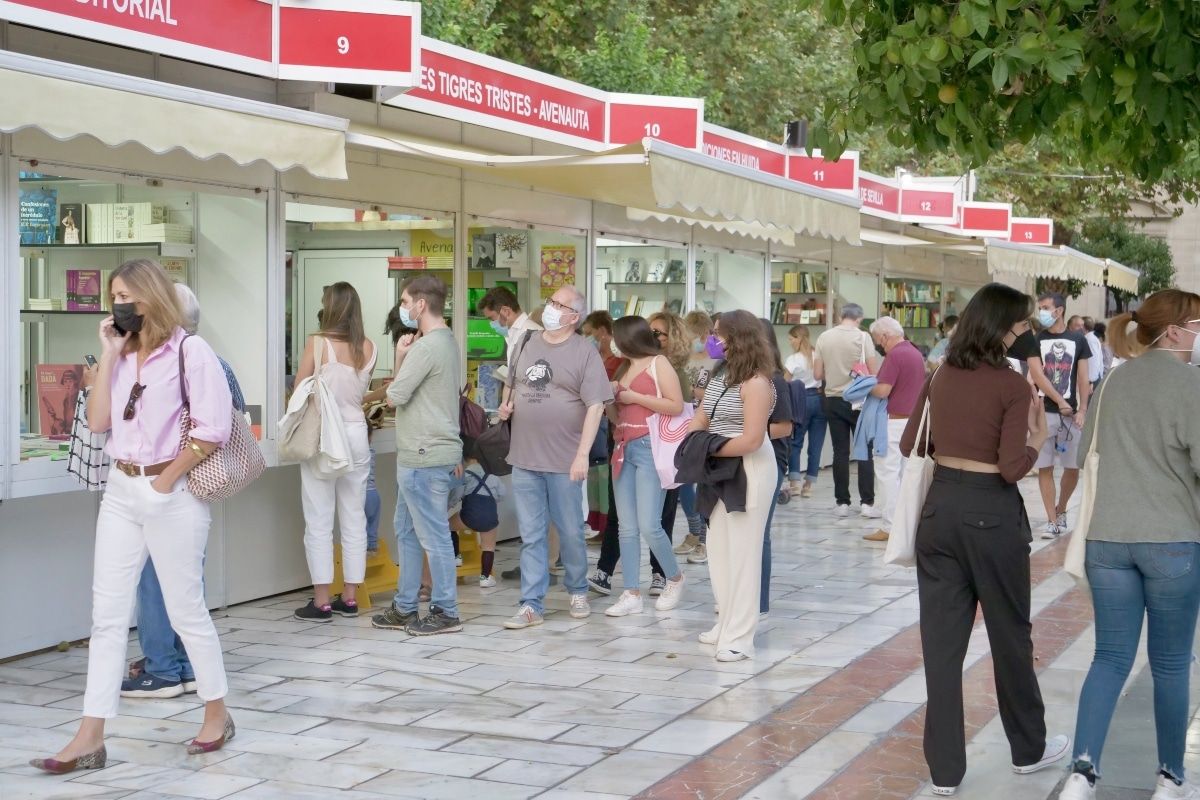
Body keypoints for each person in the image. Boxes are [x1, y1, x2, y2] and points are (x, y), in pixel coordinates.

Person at [31, 259, 235, 775]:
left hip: (173, 489)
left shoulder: (191, 351)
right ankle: (89, 735)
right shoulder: (121, 356)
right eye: (114, 295)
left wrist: (166, 481)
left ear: (153, 297)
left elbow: (212, 430)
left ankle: (217, 713)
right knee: (106, 615)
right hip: (120, 488)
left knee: (185, 608)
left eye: (128, 295)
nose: (119, 304)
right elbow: (98, 421)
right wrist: (109, 353)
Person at [899, 283, 1068, 796]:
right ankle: (1028, 749)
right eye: (1023, 325)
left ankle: (945, 772)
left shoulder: (941, 374)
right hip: (991, 515)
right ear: (1002, 328)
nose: (1028, 333)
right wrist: (1037, 438)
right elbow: (1010, 466)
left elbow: (911, 443)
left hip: (940, 509)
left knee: (941, 646)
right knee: (1009, 636)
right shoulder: (1013, 386)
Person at [1057, 289, 1200, 800]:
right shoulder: (1191, 384)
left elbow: (1087, 451)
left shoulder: (1114, 379)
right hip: (1172, 540)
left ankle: (1082, 772)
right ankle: (1169, 779)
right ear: (1177, 330)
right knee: (1169, 663)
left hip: (1107, 539)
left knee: (1110, 658)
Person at [122, 283, 247, 699]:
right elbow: (241, 414)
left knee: (155, 580)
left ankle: (162, 668)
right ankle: (185, 665)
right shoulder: (217, 360)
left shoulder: (175, 361)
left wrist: (159, 480)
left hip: (172, 482)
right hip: (197, 486)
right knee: (186, 581)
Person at [500, 286, 612, 629]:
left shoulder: (584, 353)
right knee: (531, 534)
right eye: (550, 301)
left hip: (565, 460)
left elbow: (596, 406)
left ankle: (577, 588)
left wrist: (581, 456)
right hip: (524, 456)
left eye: (559, 305)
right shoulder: (525, 343)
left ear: (573, 317)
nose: (549, 308)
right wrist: (506, 404)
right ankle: (531, 602)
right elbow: (513, 383)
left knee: (570, 531)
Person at [370, 275, 463, 636]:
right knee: (407, 532)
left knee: (433, 536)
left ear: (421, 305)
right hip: (423, 453)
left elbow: (395, 395)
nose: (403, 308)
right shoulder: (446, 341)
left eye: (406, 301)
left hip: (424, 455)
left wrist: (399, 356)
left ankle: (446, 610)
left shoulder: (425, 348)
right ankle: (406, 605)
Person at [686, 310, 777, 661]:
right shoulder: (720, 376)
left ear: (738, 338)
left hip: (748, 468)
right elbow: (702, 415)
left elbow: (752, 439)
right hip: (717, 465)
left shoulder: (757, 383)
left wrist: (708, 447)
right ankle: (725, 621)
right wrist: (696, 437)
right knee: (719, 548)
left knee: (744, 551)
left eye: (719, 334)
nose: (713, 340)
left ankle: (740, 635)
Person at [292, 283, 377, 623]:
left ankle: (322, 600)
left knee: (319, 518)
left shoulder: (318, 342)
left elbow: (299, 389)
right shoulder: (368, 347)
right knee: (354, 515)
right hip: (357, 434)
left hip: (326, 436)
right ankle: (351, 596)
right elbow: (361, 392)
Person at [603, 316, 687, 616]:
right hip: (623, 447)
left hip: (650, 447)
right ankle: (630, 592)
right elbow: (617, 415)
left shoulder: (658, 364)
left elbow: (676, 405)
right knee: (626, 526)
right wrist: (609, 400)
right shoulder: (624, 367)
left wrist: (633, 395)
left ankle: (674, 576)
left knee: (650, 524)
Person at [863, 316, 927, 543]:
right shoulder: (914, 352)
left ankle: (890, 526)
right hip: (911, 421)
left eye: (878, 340)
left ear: (884, 336)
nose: (879, 345)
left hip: (893, 422)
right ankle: (906, 525)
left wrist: (864, 384)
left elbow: (883, 390)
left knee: (887, 474)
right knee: (904, 474)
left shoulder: (895, 355)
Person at [814, 303, 879, 519]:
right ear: (859, 319)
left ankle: (842, 502)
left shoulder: (824, 337)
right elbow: (873, 371)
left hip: (833, 399)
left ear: (840, 315)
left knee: (840, 451)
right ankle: (867, 503)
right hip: (859, 400)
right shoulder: (863, 337)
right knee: (864, 451)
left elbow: (817, 374)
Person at [1035, 292, 1091, 539]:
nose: (1042, 312)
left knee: (1072, 467)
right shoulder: (1036, 340)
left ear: (1059, 311)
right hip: (1044, 412)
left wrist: (1082, 410)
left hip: (1071, 417)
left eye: (1045, 307)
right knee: (1044, 467)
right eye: (1040, 308)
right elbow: (1036, 376)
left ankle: (1062, 508)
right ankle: (1051, 520)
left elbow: (1083, 378)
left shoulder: (1078, 340)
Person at [674, 309, 717, 561]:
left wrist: (691, 390)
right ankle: (694, 530)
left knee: (702, 481)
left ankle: (704, 536)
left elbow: (709, 394)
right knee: (682, 481)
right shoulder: (684, 359)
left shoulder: (715, 362)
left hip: (705, 423)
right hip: (682, 422)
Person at [758, 317, 794, 616]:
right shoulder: (732, 376)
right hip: (739, 459)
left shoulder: (776, 380)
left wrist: (744, 435)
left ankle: (759, 601)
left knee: (760, 532)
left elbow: (783, 428)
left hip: (769, 460)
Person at [784, 324, 824, 499]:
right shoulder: (818, 355)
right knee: (816, 445)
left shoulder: (793, 359)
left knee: (796, 442)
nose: (790, 341)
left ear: (799, 338)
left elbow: (785, 383)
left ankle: (794, 483)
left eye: (791, 338)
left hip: (800, 401)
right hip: (820, 400)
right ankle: (808, 486)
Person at [478, 285, 541, 366]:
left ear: (506, 311)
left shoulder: (533, 334)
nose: (491, 324)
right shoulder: (512, 334)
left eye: (492, 318)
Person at [582, 310, 623, 379]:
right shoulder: (591, 357)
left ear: (602, 330)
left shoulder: (621, 359)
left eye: (589, 334)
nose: (585, 339)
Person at [1081, 316, 1105, 388]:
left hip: (1092, 379)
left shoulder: (1089, 339)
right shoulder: (1091, 338)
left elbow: (1093, 360)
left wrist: (1090, 381)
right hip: (1094, 377)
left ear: (1083, 327)